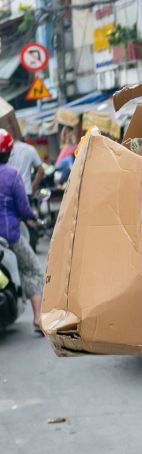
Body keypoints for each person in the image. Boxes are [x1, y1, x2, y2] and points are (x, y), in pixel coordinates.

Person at [0, 128, 44, 333]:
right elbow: (24, 208)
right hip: (9, 236)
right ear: (9, 153)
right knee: (33, 269)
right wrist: (33, 218)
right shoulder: (12, 175)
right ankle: (38, 318)